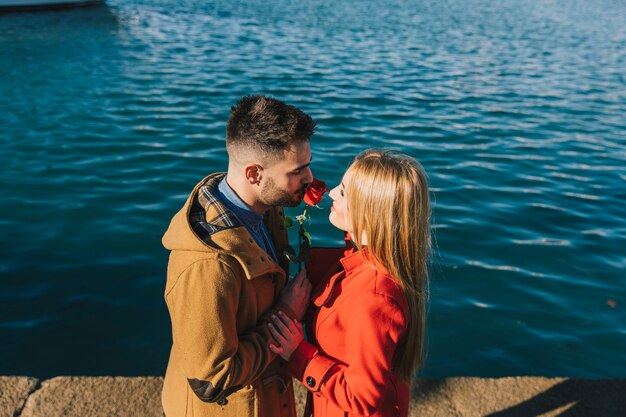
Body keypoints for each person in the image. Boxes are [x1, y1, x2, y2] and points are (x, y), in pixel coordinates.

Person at [161, 95, 315, 417]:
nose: (310, 178)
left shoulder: (266, 209)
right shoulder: (208, 266)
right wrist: (287, 314)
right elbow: (211, 382)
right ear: (254, 174)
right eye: (297, 170)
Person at [268, 149, 431, 417]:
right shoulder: (371, 262)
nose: (331, 193)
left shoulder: (376, 300)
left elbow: (361, 398)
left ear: (369, 213)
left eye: (343, 191)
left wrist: (300, 354)